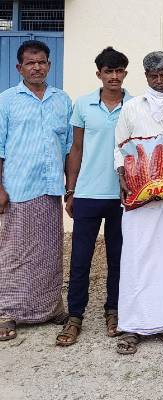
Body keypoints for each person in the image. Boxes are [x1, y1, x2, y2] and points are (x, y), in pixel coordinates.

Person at [113, 51, 163, 355]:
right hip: (137, 198)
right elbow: (118, 148)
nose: (159, 81)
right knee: (135, 257)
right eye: (153, 76)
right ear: (145, 76)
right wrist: (123, 176)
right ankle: (133, 326)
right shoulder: (131, 108)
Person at [56, 47, 132, 346]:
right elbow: (76, 149)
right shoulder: (83, 103)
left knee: (118, 258)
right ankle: (75, 318)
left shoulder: (134, 104)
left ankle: (113, 311)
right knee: (80, 260)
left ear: (125, 73)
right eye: (108, 71)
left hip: (121, 195)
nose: (114, 76)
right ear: (99, 73)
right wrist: (71, 189)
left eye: (119, 71)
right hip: (87, 193)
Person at [0, 40, 72, 341]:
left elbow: (69, 147)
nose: (37, 67)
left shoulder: (61, 100)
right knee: (13, 253)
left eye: (42, 62)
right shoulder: (6, 100)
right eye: (30, 62)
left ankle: (50, 308)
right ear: (20, 68)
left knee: (48, 250)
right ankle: (7, 312)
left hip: (50, 189)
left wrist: (71, 188)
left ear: (49, 65)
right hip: (16, 188)